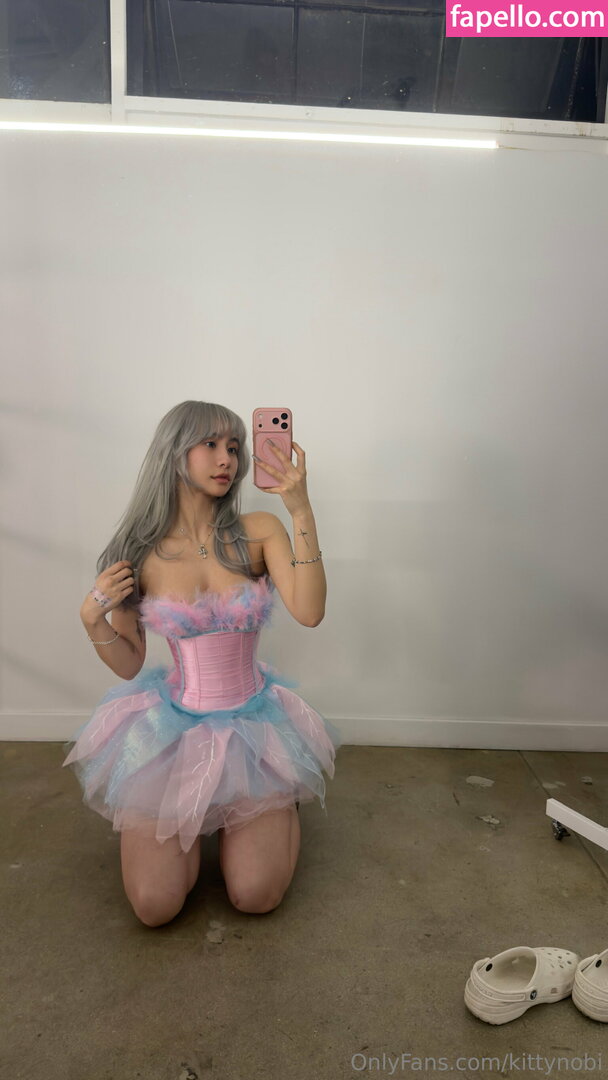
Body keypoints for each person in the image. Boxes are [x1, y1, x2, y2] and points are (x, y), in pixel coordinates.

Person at [62, 400, 342, 927]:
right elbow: (129, 664)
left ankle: (273, 805)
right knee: (154, 906)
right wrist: (92, 620)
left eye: (234, 447)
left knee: (256, 894)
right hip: (172, 733)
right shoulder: (138, 551)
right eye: (210, 444)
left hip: (255, 729)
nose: (227, 459)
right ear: (174, 454)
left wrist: (301, 510)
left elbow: (310, 612)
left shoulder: (259, 530)